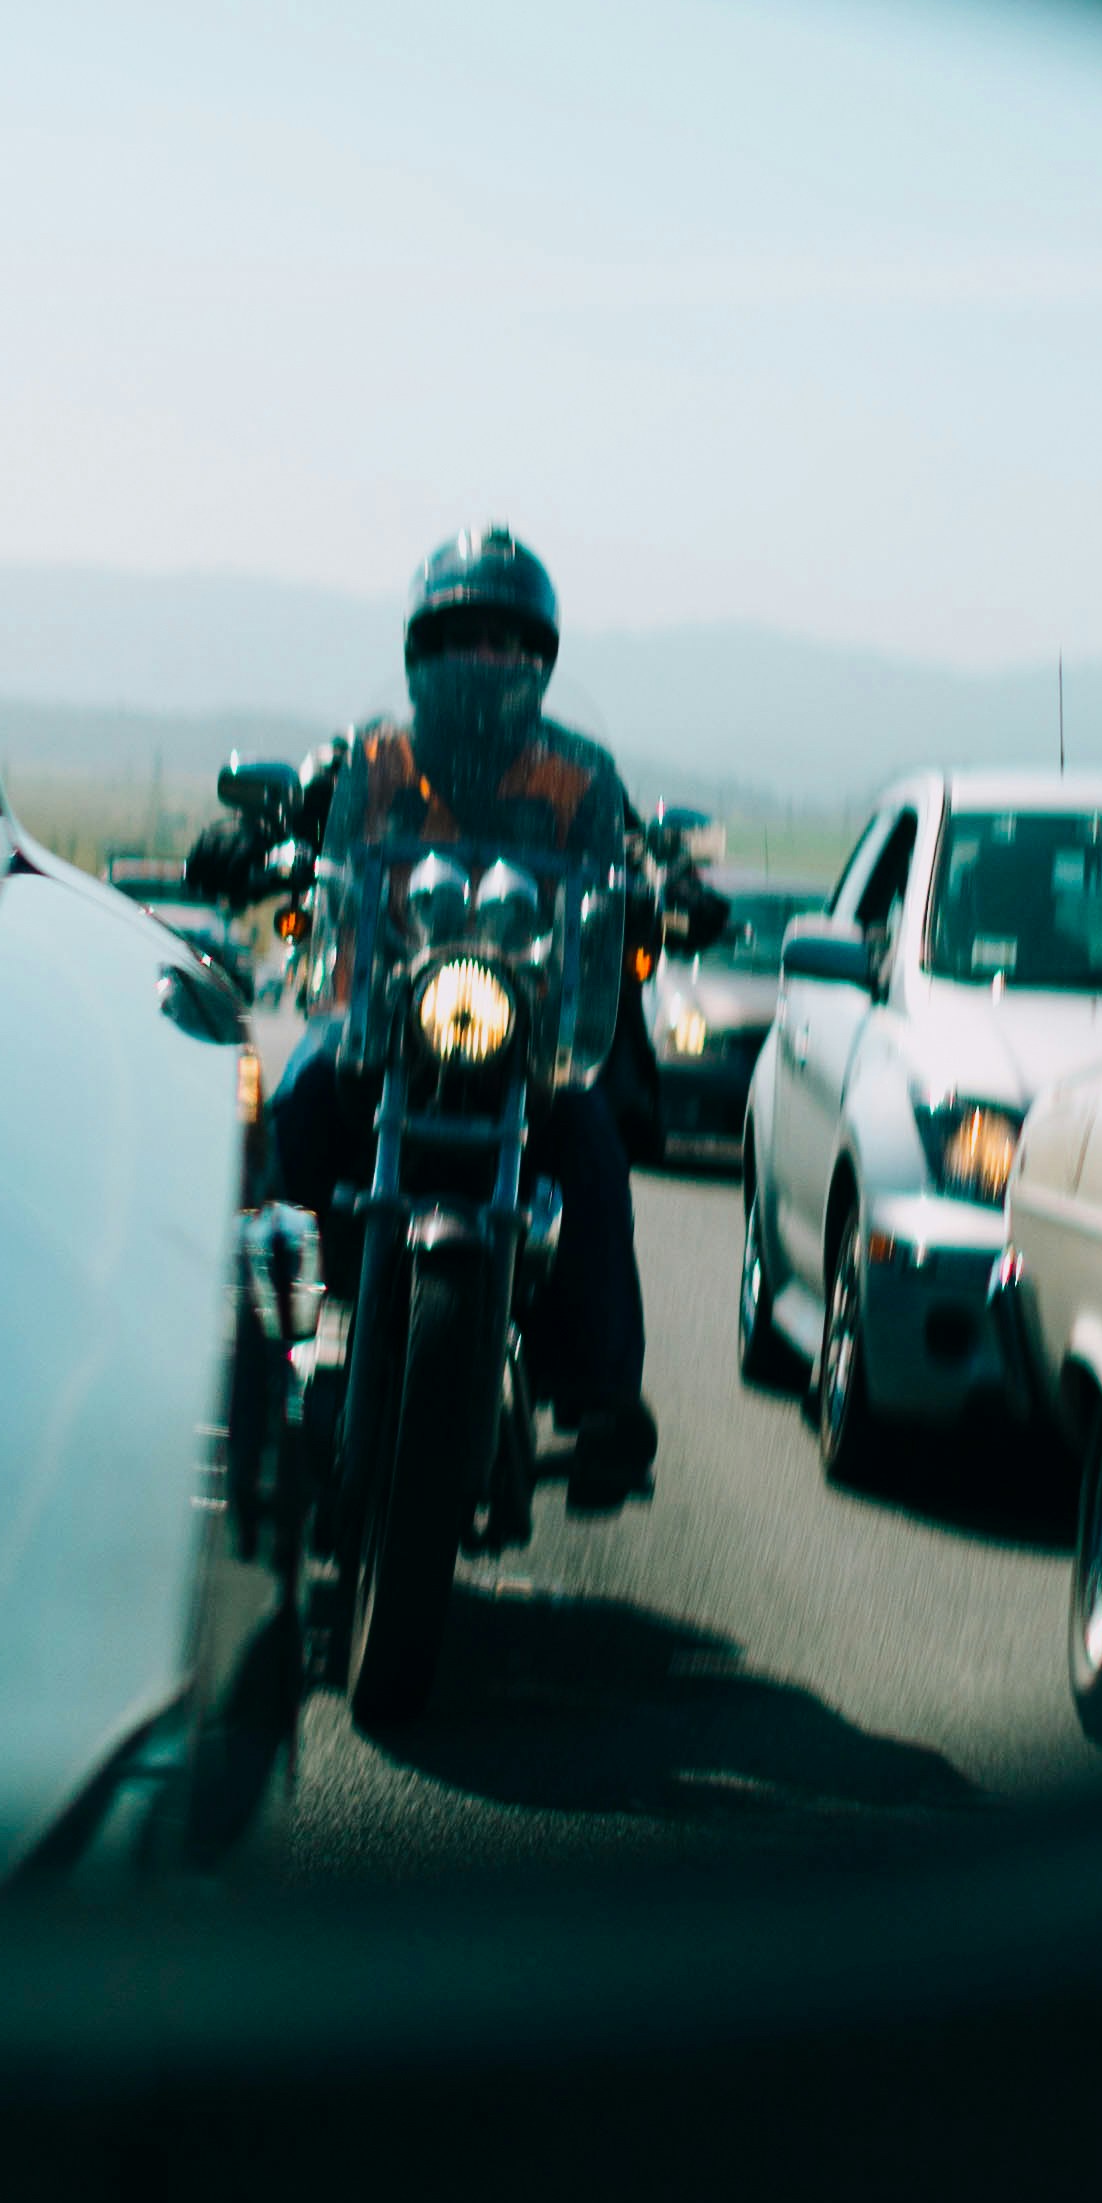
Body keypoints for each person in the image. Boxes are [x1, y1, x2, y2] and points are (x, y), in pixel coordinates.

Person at [196, 526, 662, 1503]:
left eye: (506, 641)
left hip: (520, 1042)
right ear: (423, 651)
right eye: (464, 637)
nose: (485, 659)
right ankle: (237, 1345)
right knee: (299, 1097)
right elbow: (301, 823)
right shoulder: (369, 758)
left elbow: (620, 870)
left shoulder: (580, 775)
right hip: (376, 1024)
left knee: (591, 1144)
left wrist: (659, 895)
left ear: (538, 660)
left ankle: (603, 1397)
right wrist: (252, 839)